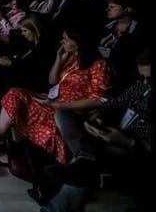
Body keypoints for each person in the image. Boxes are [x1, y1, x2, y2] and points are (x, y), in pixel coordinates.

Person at [0, 25, 111, 165]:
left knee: (19, 107)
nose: (62, 42)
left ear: (78, 42)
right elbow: (52, 80)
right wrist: (59, 59)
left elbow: (99, 99)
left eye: (65, 39)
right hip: (53, 99)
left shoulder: (99, 64)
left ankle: (10, 151)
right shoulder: (72, 57)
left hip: (69, 110)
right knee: (15, 93)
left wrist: (62, 105)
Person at [42, 49, 152, 211]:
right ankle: (85, 157)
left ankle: (83, 164)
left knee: (86, 170)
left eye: (149, 79)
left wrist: (127, 141)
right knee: (63, 114)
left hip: (131, 148)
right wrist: (99, 116)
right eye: (142, 77)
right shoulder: (140, 86)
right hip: (108, 132)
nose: (145, 82)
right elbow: (113, 103)